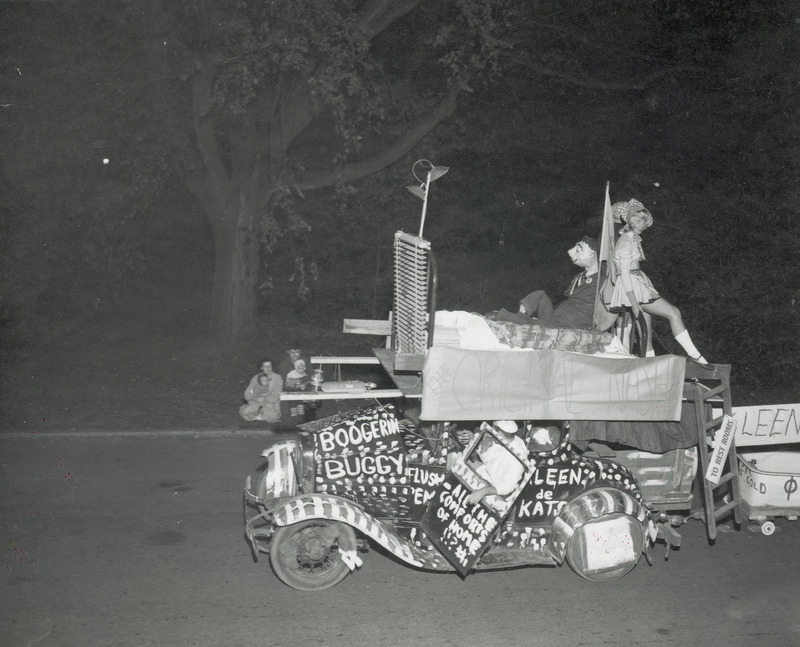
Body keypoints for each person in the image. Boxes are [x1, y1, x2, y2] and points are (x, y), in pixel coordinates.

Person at [608, 198, 708, 364]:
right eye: (638, 220)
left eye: (643, 220)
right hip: (632, 287)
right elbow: (624, 274)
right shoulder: (625, 242)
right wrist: (634, 303)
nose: (643, 224)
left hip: (638, 284)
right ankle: (695, 356)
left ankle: (650, 365)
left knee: (646, 334)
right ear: (630, 221)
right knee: (673, 313)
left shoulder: (631, 239)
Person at [518, 236, 606, 330]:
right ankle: (520, 316)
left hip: (569, 324)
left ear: (591, 254)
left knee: (522, 321)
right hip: (558, 318)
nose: (572, 253)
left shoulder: (600, 280)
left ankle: (509, 318)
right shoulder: (579, 277)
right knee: (539, 295)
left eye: (578, 250)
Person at [459, 420, 528, 505]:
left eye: (492, 431)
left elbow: (507, 486)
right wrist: (483, 446)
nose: (489, 434)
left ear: (500, 433)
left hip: (497, 493)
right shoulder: (501, 439)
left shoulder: (518, 457)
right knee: (457, 460)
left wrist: (483, 491)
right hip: (487, 474)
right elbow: (488, 461)